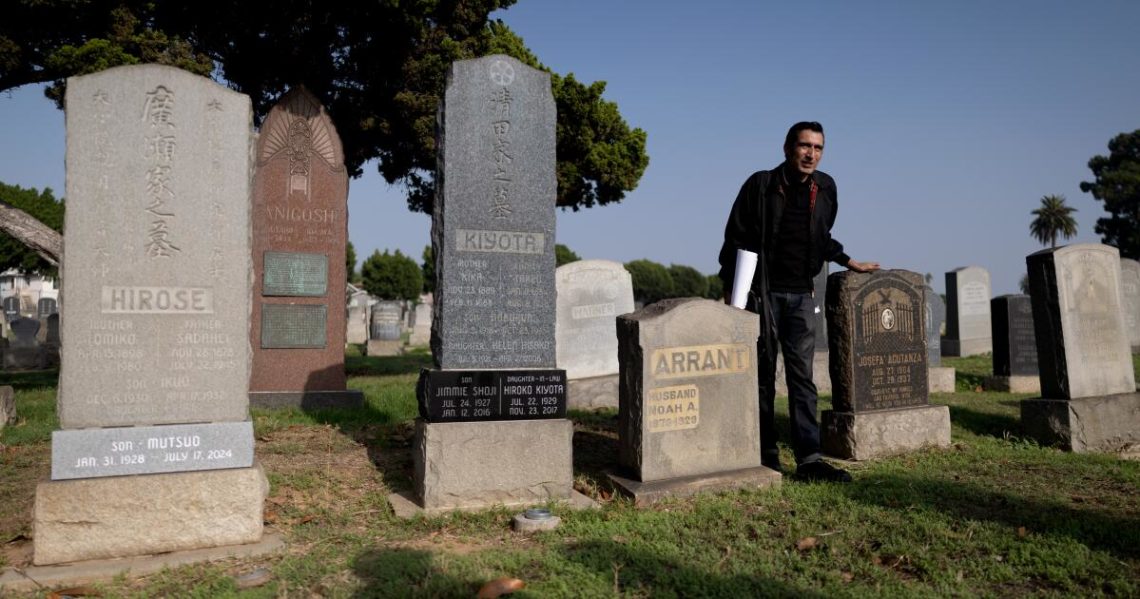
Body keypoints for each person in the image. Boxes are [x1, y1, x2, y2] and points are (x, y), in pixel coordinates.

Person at [717, 121, 879, 483]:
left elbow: (821, 236)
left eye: (818, 148)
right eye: (805, 146)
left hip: (803, 295)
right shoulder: (761, 185)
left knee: (802, 379)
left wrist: (847, 260)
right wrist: (732, 292)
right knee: (761, 376)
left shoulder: (826, 189)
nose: (811, 154)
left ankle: (809, 460)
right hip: (764, 293)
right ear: (788, 148)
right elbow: (735, 237)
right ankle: (765, 455)